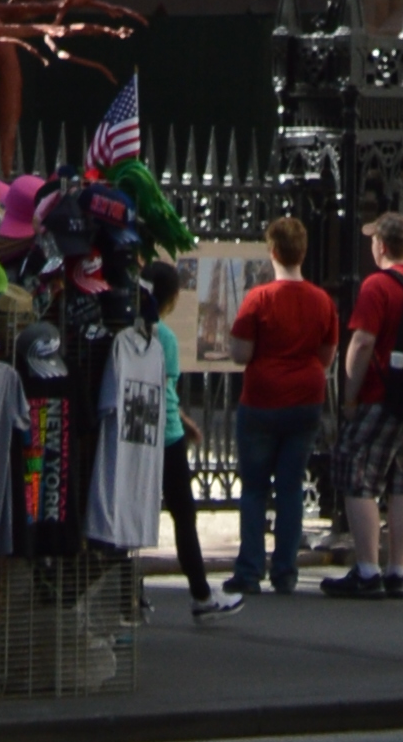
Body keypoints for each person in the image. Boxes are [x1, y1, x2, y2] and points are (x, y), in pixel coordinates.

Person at [222, 213, 340, 602]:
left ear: (272, 251)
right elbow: (326, 356)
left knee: (255, 488)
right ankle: (286, 571)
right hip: (306, 400)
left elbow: (242, 353)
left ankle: (250, 569)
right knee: (290, 488)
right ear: (302, 252)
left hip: (262, 399)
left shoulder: (259, 298)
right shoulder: (322, 301)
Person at [327, 204, 403, 599]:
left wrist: (350, 396)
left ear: (382, 246)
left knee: (359, 474)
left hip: (378, 395)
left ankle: (367, 568)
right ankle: (397, 570)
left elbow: (363, 341)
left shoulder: (376, 286)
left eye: (373, 240)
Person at [140, 256, 218, 618]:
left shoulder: (129, 329)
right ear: (170, 299)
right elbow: (165, 390)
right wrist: (182, 422)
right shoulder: (165, 337)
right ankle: (201, 593)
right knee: (183, 515)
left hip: (135, 433)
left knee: (132, 515)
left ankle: (129, 591)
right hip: (167, 436)